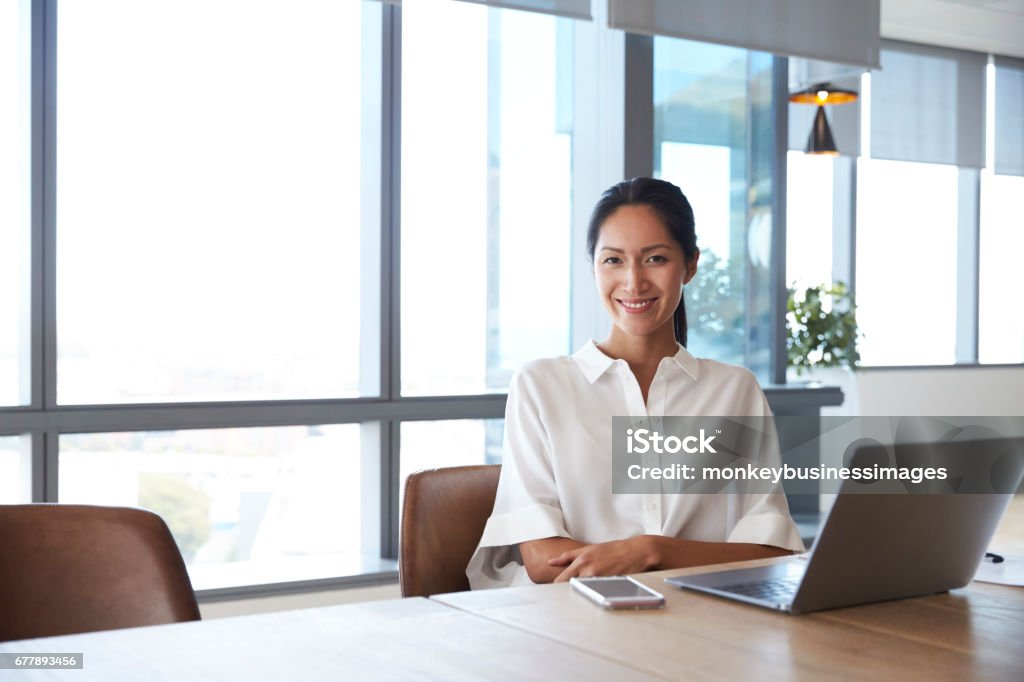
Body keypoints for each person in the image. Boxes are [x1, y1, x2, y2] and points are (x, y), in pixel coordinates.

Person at [466, 177, 804, 589]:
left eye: (655, 258)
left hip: (704, 624)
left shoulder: (735, 390)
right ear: (593, 266)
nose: (633, 282)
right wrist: (661, 559)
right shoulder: (541, 386)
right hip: (571, 623)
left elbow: (771, 553)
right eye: (613, 260)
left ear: (691, 265)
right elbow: (540, 560)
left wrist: (653, 551)